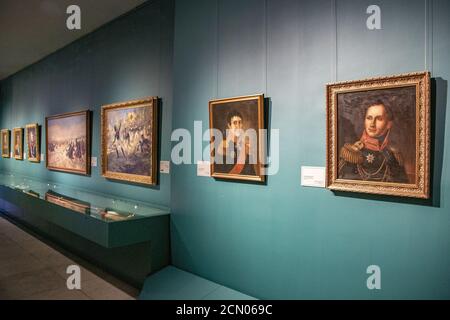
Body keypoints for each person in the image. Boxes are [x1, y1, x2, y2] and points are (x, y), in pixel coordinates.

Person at [338, 101, 408, 183]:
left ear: (389, 124)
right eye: (369, 118)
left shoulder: (394, 153)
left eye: (379, 119)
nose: (372, 124)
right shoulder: (351, 153)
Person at [214, 110, 257, 176]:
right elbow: (218, 172)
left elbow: (252, 173)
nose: (238, 125)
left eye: (240, 122)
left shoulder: (246, 147)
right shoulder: (222, 146)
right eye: (235, 123)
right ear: (229, 125)